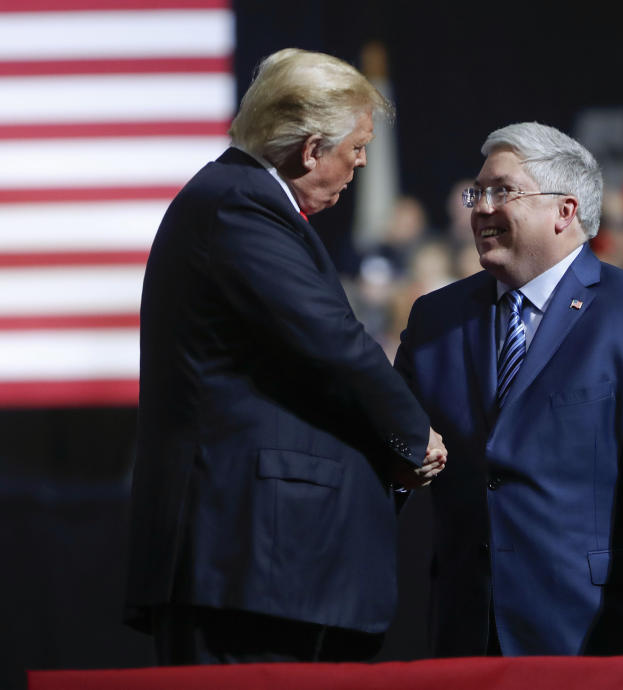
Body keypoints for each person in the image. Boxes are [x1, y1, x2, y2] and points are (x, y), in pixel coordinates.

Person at [125, 48, 446, 665]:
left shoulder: (235, 201)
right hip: (246, 556)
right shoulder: (239, 205)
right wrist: (413, 436)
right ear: (310, 149)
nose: (358, 169)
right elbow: (332, 343)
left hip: (259, 562)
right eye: (355, 151)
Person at [394, 122, 623, 657]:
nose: (480, 208)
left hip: (590, 634)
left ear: (564, 211)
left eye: (502, 191)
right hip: (463, 632)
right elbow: (387, 439)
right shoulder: (436, 319)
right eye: (477, 193)